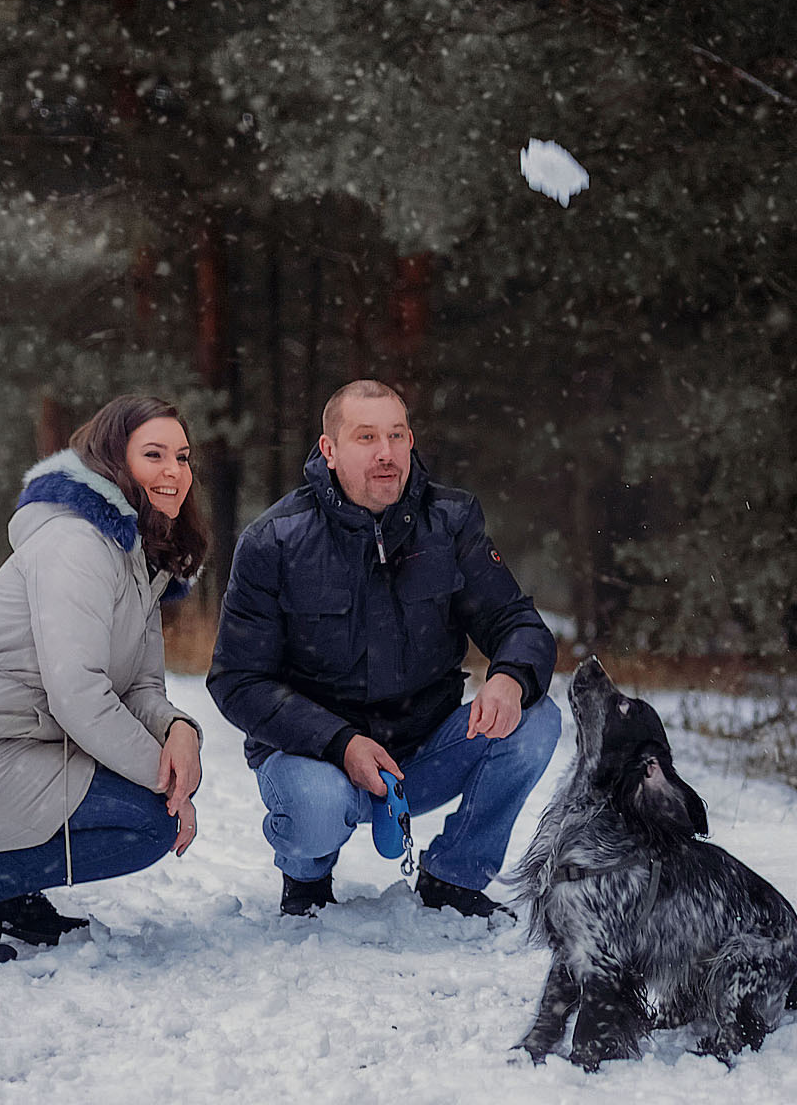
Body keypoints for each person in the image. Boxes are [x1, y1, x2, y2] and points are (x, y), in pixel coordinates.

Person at [0, 396, 207, 968]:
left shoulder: (139, 561)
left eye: (182, 455)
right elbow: (77, 696)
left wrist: (178, 729)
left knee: (149, 806)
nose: (173, 471)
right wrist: (166, 783)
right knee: (149, 823)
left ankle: (6, 892)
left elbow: (141, 688)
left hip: (6, 751)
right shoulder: (75, 545)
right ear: (114, 462)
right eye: (154, 454)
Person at [209, 379, 560, 919]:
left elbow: (516, 620)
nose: (386, 453)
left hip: (421, 752)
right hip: (317, 758)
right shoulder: (273, 541)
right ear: (329, 450)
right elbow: (237, 681)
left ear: (411, 440)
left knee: (536, 721)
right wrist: (340, 742)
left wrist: (510, 676)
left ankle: (452, 879)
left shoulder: (451, 519)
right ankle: (306, 876)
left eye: (397, 435)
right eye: (366, 436)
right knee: (316, 808)